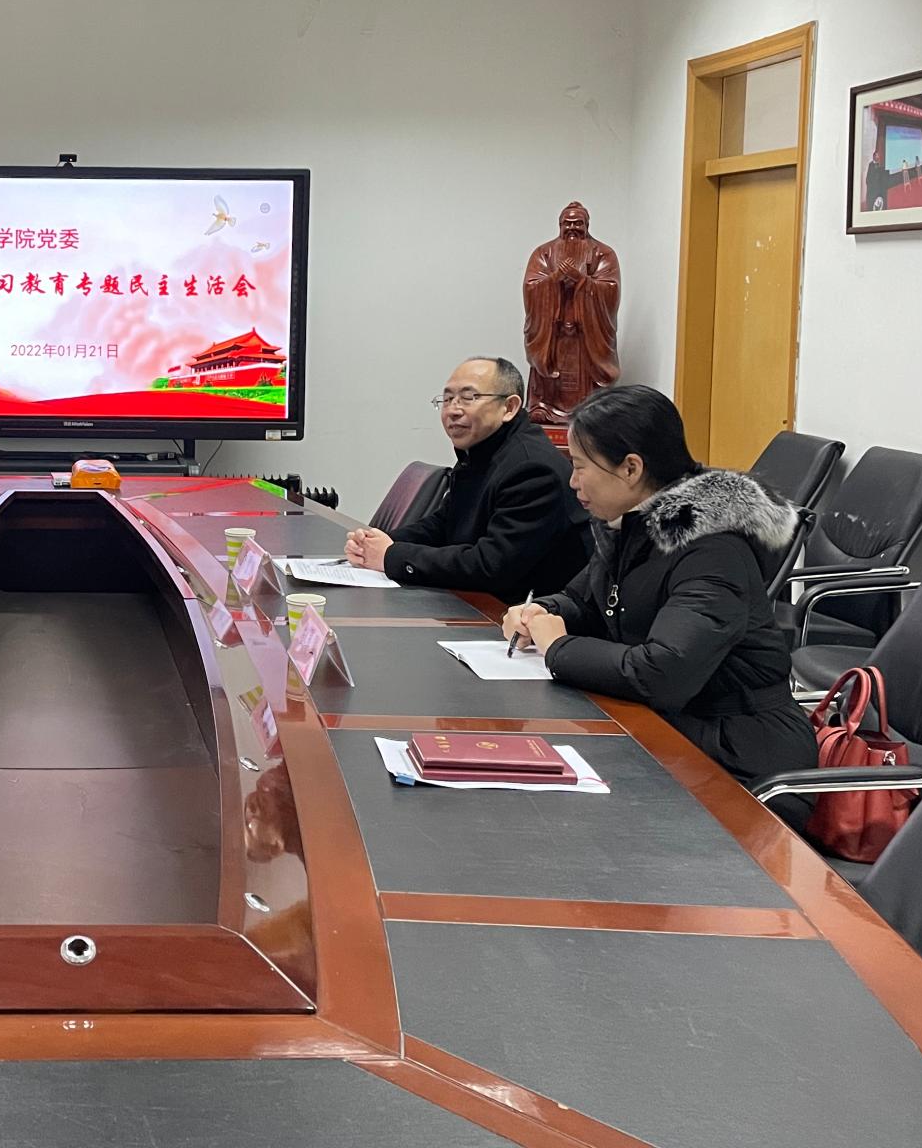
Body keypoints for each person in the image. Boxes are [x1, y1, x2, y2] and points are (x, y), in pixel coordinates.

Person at [503, 384, 816, 819]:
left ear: (631, 468)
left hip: (740, 758)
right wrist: (541, 612)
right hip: (670, 728)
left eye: (579, 466)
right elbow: (585, 600)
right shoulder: (631, 524)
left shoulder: (712, 549)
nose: (572, 481)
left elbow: (663, 672)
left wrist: (558, 647)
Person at [345, 357, 591, 602]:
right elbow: (445, 524)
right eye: (448, 399)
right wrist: (379, 543)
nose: (453, 410)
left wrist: (392, 556)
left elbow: (491, 566)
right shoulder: (482, 450)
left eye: (468, 398)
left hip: (524, 614)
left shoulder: (531, 469)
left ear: (509, 407)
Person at [522, 201, 621, 425]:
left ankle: (589, 411)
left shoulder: (603, 253)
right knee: (549, 380)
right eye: (568, 223)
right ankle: (545, 406)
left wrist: (582, 281)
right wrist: (555, 279)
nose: (572, 228)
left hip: (586, 335)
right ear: (560, 225)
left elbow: (610, 289)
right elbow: (531, 287)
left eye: (578, 223)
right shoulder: (544, 253)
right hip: (553, 335)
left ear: (587, 225)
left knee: (589, 401)